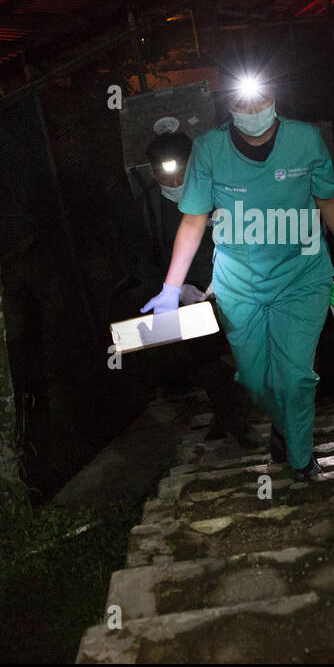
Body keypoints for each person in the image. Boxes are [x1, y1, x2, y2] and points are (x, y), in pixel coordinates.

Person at [142, 79, 334, 482]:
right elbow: (194, 219)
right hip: (239, 285)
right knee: (254, 380)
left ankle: (300, 459)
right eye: (240, 103)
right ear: (228, 105)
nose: (252, 112)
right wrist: (170, 288)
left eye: (260, 101)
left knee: (297, 376)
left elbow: (328, 199)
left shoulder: (306, 140)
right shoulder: (209, 149)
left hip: (302, 277)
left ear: (274, 99)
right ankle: (284, 429)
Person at [131, 130, 261, 449]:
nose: (175, 183)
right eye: (165, 175)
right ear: (152, 172)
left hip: (235, 289)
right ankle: (233, 416)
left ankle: (237, 414)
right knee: (206, 363)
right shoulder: (145, 209)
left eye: (182, 172)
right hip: (188, 301)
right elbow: (139, 259)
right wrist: (173, 290)